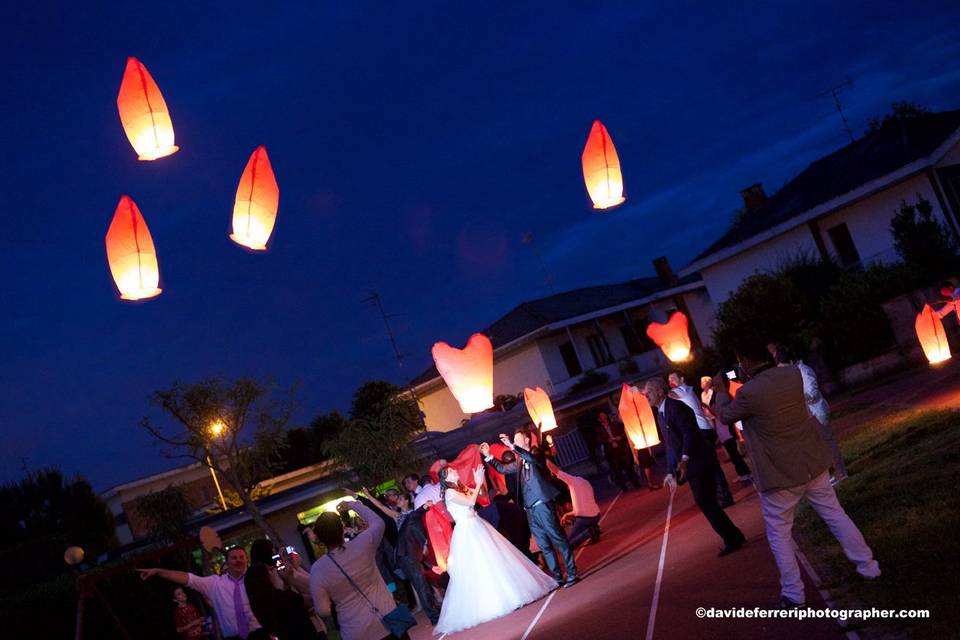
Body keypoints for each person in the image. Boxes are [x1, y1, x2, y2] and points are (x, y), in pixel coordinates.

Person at [716, 340, 879, 608]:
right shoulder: (791, 374)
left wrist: (722, 389)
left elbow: (724, 417)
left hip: (779, 475)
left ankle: (793, 594)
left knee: (779, 534)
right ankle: (869, 566)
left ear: (744, 361)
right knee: (836, 515)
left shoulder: (748, 393)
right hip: (811, 462)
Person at [434, 464, 557, 634]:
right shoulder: (449, 493)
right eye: (451, 472)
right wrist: (476, 484)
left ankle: (511, 594)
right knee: (480, 564)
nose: (455, 472)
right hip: (467, 532)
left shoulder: (459, 488)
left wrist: (479, 483)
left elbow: (480, 497)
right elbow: (470, 501)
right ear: (446, 479)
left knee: (495, 559)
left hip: (477, 525)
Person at [644, 378, 746, 557]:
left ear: (660, 391)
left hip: (699, 462)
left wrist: (684, 458)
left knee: (706, 502)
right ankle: (733, 535)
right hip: (691, 466)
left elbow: (688, 433)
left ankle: (733, 538)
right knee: (707, 502)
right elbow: (670, 444)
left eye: (649, 392)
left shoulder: (677, 408)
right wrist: (670, 470)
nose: (647, 396)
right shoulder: (661, 414)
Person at [483, 431, 579, 587]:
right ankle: (558, 577)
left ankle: (572, 573)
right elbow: (503, 469)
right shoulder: (520, 460)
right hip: (530, 509)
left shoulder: (536, 453)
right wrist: (489, 456)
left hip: (542, 505)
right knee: (543, 545)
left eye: (516, 440)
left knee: (558, 538)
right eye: (513, 440)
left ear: (526, 440)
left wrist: (512, 446)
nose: (513, 441)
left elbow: (532, 459)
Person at [308, 498, 410, 640]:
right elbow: (378, 522)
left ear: (319, 538)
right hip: (389, 618)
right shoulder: (362, 544)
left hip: (355, 631)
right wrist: (352, 505)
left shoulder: (317, 570)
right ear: (342, 529)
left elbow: (323, 610)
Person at [138, 546, 262, 639]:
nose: (238, 560)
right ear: (227, 562)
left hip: (260, 632)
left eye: (241, 557)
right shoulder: (215, 583)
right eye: (234, 558)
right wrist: (159, 571)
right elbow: (187, 578)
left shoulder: (256, 579)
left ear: (247, 560)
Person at [773, 345, 848, 483]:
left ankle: (840, 473)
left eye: (784, 367)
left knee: (827, 446)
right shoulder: (796, 373)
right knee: (819, 448)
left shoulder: (804, 372)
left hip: (817, 413)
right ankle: (832, 475)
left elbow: (812, 392)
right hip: (811, 415)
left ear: (790, 362)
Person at [669, 372, 734, 506]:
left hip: (702, 431)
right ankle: (720, 495)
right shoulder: (687, 390)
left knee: (712, 465)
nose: (671, 382)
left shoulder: (683, 391)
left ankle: (724, 496)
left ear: (682, 379)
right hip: (704, 429)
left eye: (673, 379)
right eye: (669, 380)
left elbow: (664, 394)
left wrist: (643, 391)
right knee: (710, 464)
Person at [245, 539, 318, 640]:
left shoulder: (256, 578)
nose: (274, 555)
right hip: (297, 626)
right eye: (272, 551)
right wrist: (290, 577)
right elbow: (311, 593)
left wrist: (293, 565)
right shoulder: (276, 589)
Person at [393, 504, 442, 626]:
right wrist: (424, 507)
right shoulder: (412, 519)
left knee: (423, 585)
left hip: (410, 557)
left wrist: (431, 566)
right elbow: (414, 515)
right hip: (406, 556)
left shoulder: (417, 523)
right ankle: (434, 617)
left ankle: (434, 611)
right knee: (422, 587)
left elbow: (419, 551)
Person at [545, 459, 601, 548]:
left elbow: (557, 471)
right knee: (574, 519)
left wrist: (544, 459)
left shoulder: (572, 482)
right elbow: (579, 509)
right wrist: (567, 515)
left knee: (568, 545)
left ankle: (589, 532)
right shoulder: (584, 482)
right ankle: (593, 528)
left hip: (585, 519)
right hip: (596, 516)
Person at [708, 374, 752, 483]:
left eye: (716, 381)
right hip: (725, 429)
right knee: (734, 453)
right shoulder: (720, 394)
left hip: (726, 429)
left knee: (734, 453)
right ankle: (743, 472)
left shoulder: (721, 395)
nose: (714, 384)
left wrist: (709, 408)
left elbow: (722, 414)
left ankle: (744, 472)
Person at [595, 412, 643, 491]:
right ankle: (624, 487)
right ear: (599, 419)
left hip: (621, 449)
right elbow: (598, 439)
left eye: (604, 415)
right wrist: (607, 440)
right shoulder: (599, 429)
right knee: (617, 470)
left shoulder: (614, 424)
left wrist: (620, 437)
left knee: (628, 467)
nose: (604, 417)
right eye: (601, 416)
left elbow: (624, 433)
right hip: (611, 452)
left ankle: (635, 483)